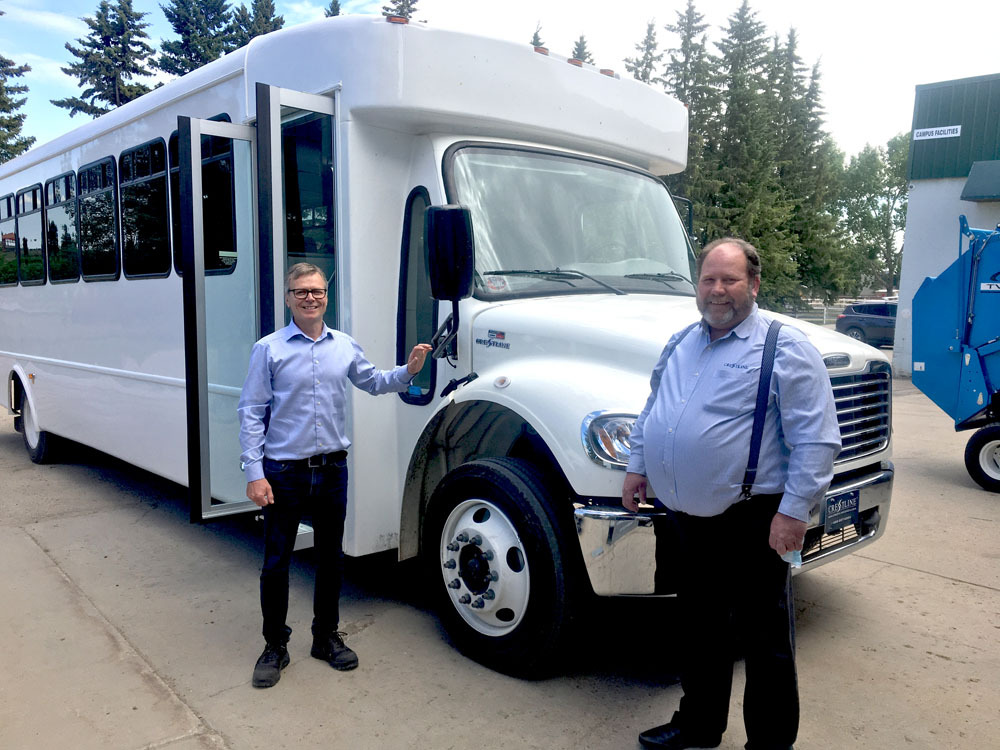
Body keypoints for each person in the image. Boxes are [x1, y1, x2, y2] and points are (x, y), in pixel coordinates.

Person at [622, 238, 841, 750]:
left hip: (755, 517)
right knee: (698, 628)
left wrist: (793, 512)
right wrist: (638, 467)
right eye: (709, 279)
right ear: (697, 285)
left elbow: (817, 438)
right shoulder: (680, 343)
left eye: (730, 279)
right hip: (684, 518)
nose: (717, 290)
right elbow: (654, 409)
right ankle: (699, 725)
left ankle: (768, 743)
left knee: (764, 640)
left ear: (754, 284)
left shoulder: (784, 346)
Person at [238, 262, 432, 689]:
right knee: (276, 563)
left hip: (331, 471)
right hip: (283, 473)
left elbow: (375, 382)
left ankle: (325, 637)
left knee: (331, 559)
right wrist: (255, 472)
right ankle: (275, 645)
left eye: (318, 291)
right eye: (301, 291)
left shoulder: (343, 346)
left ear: (327, 296)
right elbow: (251, 412)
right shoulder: (268, 349)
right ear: (288, 297)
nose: (311, 298)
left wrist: (410, 370)